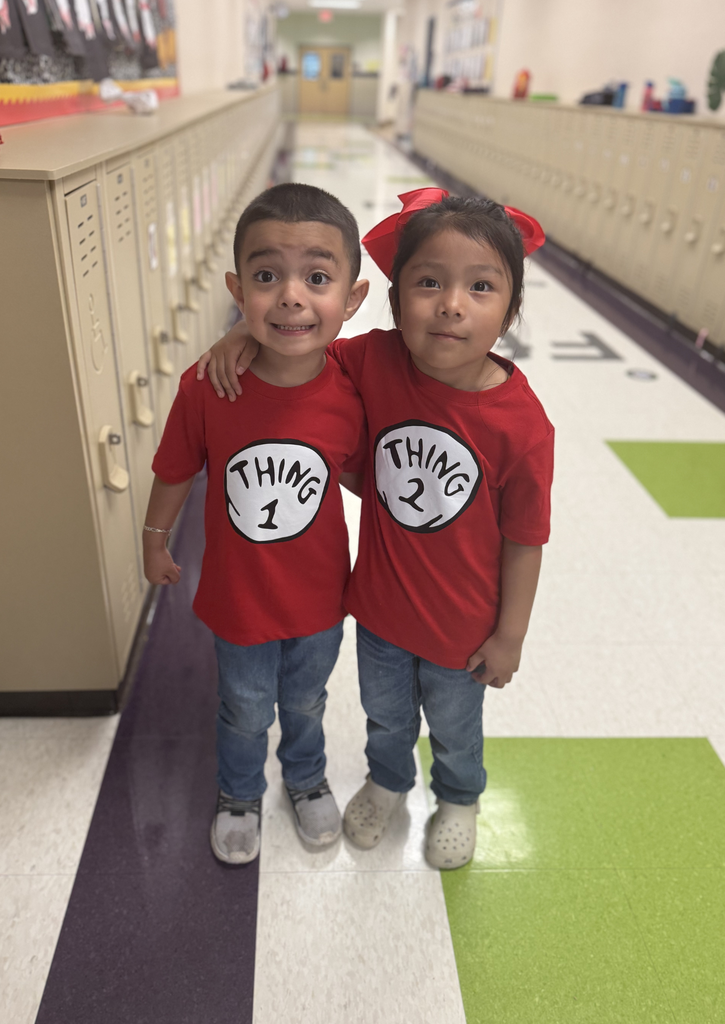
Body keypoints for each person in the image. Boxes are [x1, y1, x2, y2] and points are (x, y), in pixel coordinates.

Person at [197, 190, 554, 870]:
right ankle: (387, 782)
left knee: (454, 727)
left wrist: (509, 636)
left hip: (464, 627)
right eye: (428, 283)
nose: (451, 305)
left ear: (510, 312)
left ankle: (459, 798)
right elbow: (302, 342)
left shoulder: (522, 426)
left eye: (480, 287)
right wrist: (245, 332)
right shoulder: (376, 361)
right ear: (393, 300)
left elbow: (524, 540)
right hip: (381, 612)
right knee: (385, 719)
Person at [143, 182, 369, 865]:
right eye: (267, 277)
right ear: (237, 290)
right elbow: (175, 468)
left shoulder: (354, 387)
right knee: (243, 707)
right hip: (238, 599)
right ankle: (239, 792)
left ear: (352, 298)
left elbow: (370, 474)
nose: (291, 296)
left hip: (321, 599)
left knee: (305, 702)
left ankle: (305, 778)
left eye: (317, 278)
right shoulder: (208, 385)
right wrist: (154, 539)